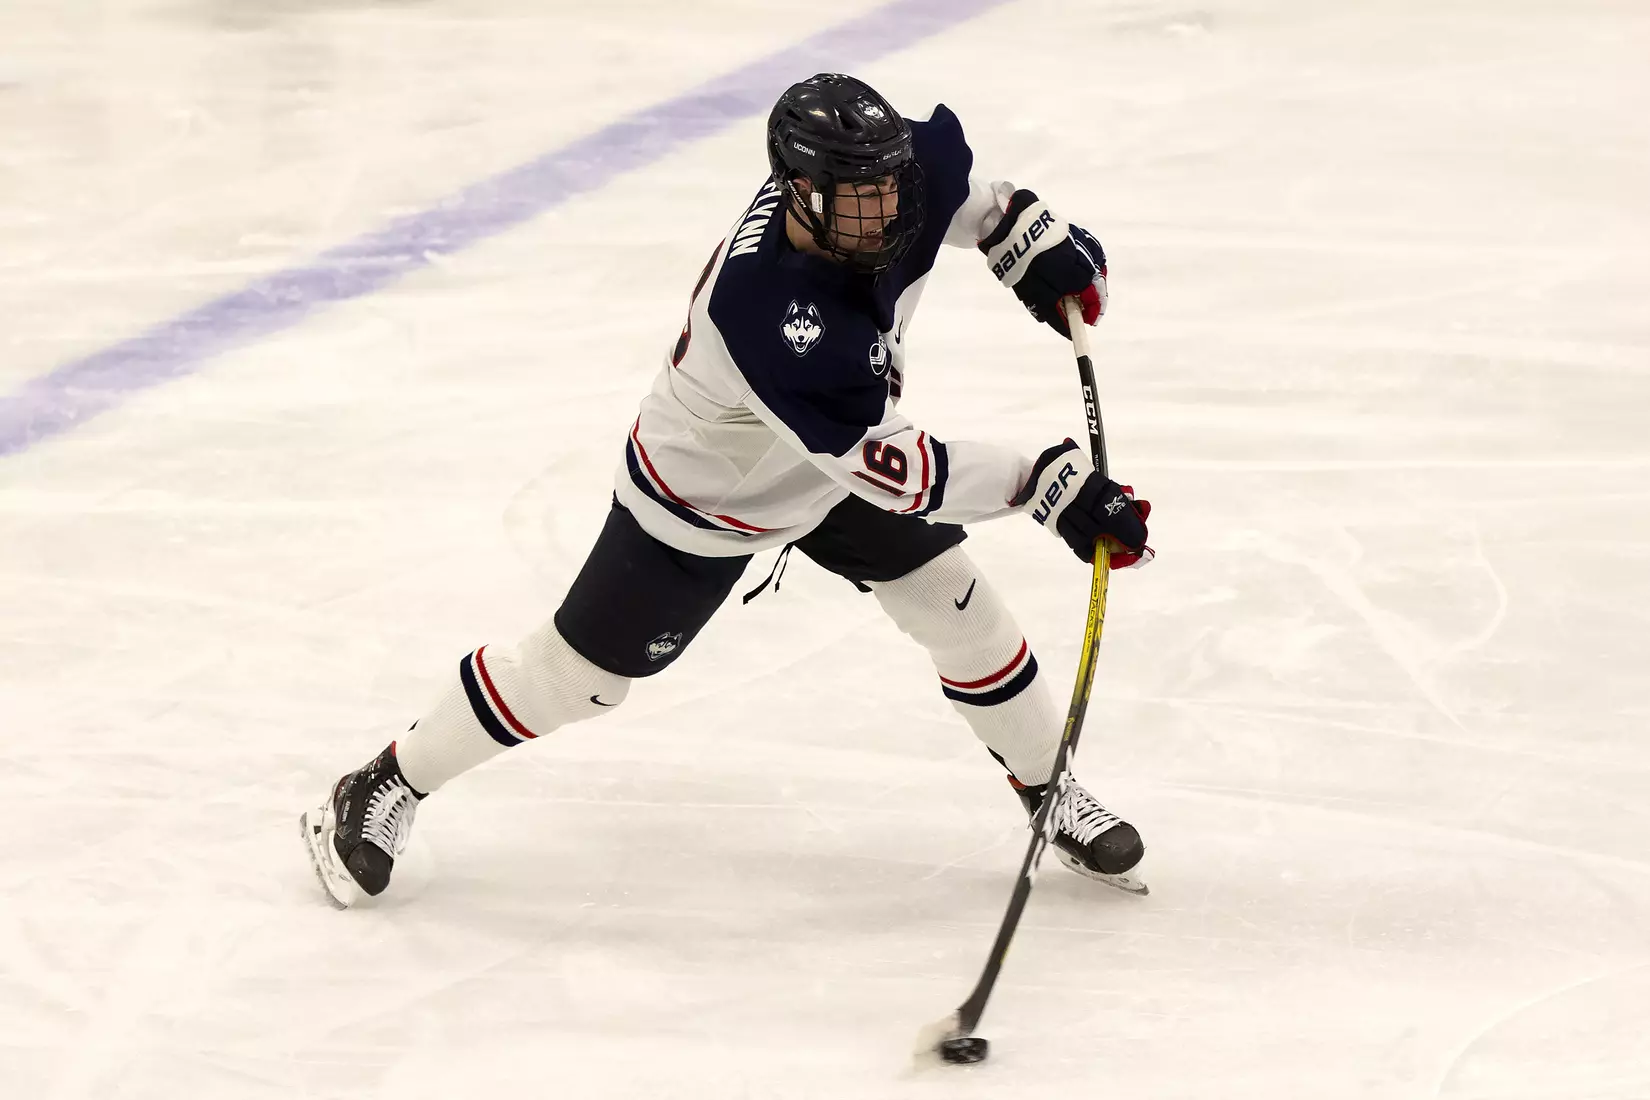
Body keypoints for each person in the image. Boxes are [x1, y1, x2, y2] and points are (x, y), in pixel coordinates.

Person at [300, 73, 1155, 909]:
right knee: (578, 680)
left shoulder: (889, 182)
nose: (887, 211)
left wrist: (1024, 236)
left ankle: (1048, 787)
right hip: (707, 497)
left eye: (891, 186)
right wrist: (1048, 484)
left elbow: (967, 196)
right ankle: (385, 781)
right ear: (800, 194)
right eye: (861, 196)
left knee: (954, 603)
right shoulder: (771, 314)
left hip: (833, 461)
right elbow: (904, 476)